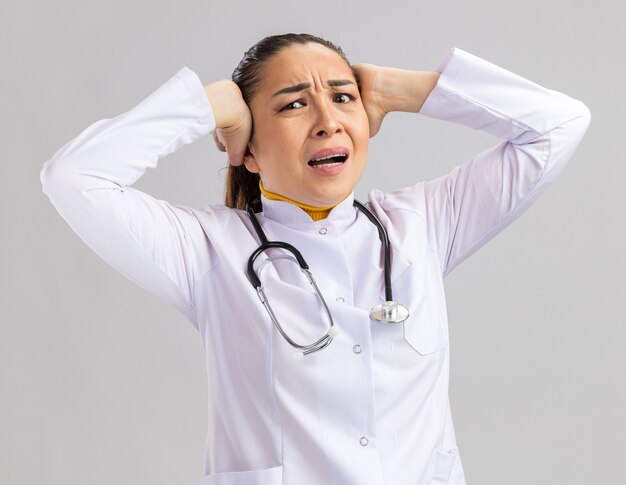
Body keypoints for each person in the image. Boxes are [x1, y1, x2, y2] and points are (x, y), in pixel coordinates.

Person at [40, 33, 590, 485]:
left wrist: (401, 88)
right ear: (248, 150)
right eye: (294, 104)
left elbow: (559, 125)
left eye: (342, 97)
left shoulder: (422, 224)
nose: (327, 121)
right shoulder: (206, 250)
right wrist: (206, 106)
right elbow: (73, 178)